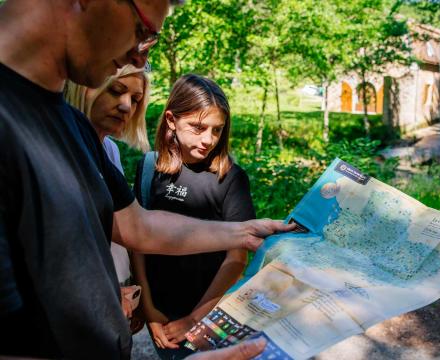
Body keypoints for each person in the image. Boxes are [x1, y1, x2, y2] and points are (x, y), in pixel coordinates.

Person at [0, 0, 293, 358]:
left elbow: (138, 227)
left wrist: (245, 233)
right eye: (142, 31)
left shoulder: (72, 124)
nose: (138, 59)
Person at [133, 74, 255, 359]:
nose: (208, 139)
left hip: (208, 319)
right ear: (172, 120)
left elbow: (236, 260)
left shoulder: (231, 179)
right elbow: (137, 241)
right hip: (160, 314)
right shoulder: (150, 168)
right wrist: (148, 308)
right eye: (198, 127)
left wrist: (194, 319)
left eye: (217, 130)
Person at [64, 64, 151, 322]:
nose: (126, 106)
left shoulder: (110, 150)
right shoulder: (64, 149)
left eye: (136, 100)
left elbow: (132, 227)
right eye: (115, 91)